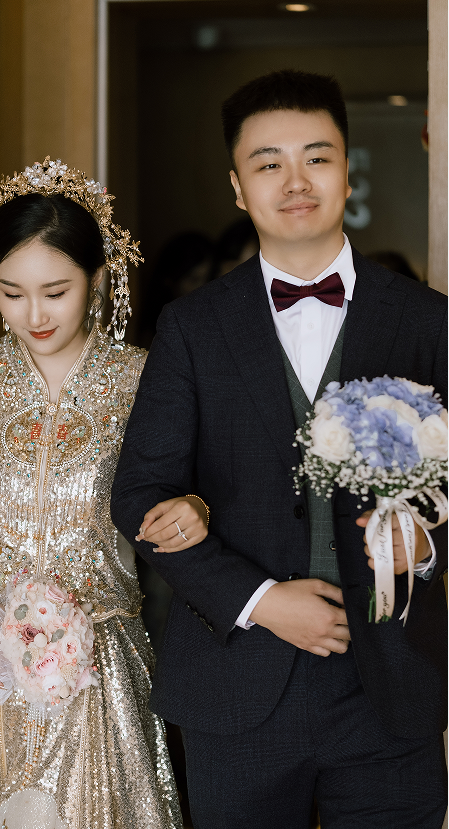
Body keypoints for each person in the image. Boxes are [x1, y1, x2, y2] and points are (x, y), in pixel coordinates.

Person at [110, 71, 447, 829]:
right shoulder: (192, 327)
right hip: (237, 683)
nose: (295, 182)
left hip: (390, 685)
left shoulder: (427, 321)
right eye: (269, 163)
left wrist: (426, 544)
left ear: (347, 172)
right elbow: (138, 494)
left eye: (316, 158)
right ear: (238, 187)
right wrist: (261, 601)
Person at [0, 158, 207, 829]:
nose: (33, 314)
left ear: (97, 279)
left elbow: (194, 494)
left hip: (101, 671)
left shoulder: (143, 380)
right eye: (11, 293)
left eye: (55, 291)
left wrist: (195, 507)